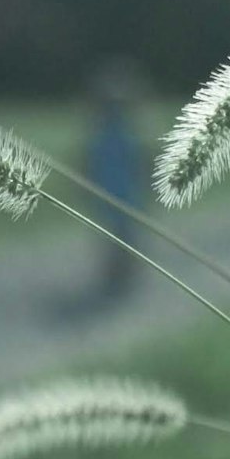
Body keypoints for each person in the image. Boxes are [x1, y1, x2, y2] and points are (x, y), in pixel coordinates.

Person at [79, 59, 150, 308]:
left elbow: (136, 161)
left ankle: (120, 275)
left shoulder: (107, 133)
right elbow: (137, 162)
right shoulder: (116, 133)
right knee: (120, 235)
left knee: (119, 235)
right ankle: (120, 276)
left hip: (115, 190)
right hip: (117, 191)